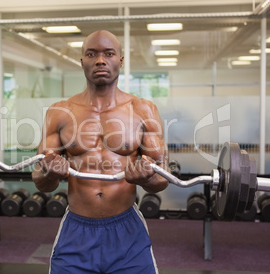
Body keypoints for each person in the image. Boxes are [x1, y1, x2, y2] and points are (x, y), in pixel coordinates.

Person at [32, 30, 169, 274]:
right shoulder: (59, 112)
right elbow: (41, 182)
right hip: (76, 229)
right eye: (92, 54)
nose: (100, 60)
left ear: (121, 60)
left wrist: (147, 177)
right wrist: (51, 174)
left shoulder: (143, 110)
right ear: (82, 61)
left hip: (127, 229)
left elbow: (162, 179)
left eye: (109, 54)